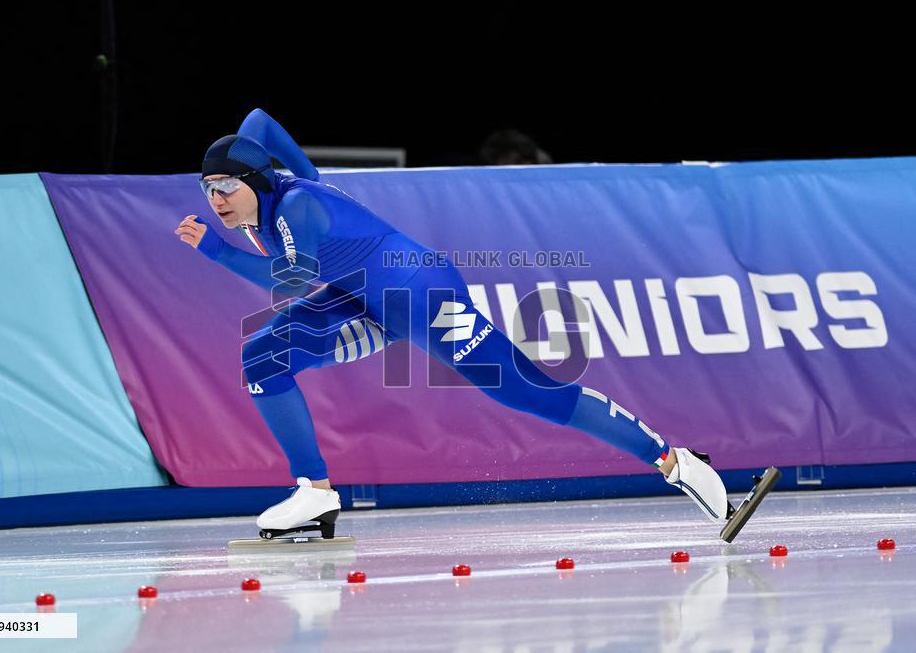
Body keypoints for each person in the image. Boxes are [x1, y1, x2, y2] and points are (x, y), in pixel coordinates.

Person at [174, 109, 731, 541]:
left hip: (421, 293)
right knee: (265, 357)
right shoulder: (269, 196)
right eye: (208, 189)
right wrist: (311, 170)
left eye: (226, 185)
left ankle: (676, 462)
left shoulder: (296, 211)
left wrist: (216, 252)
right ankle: (315, 492)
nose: (217, 198)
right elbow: (256, 122)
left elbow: (291, 284)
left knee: (527, 390)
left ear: (256, 180)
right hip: (363, 297)